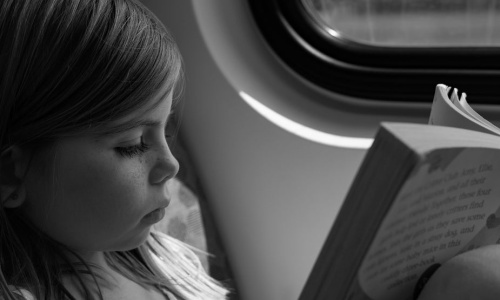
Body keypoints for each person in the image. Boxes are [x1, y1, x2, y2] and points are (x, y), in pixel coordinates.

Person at [0, 0, 229, 299]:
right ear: (10, 175)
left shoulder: (172, 260)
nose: (172, 166)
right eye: (132, 145)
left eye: (166, 131)